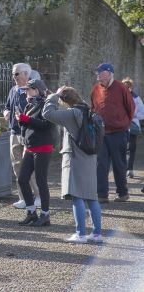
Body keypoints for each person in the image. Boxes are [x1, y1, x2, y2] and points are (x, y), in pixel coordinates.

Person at [43, 86, 103, 243]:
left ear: (64, 101)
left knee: (77, 196)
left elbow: (47, 113)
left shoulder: (71, 113)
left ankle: (80, 234)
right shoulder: (88, 110)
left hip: (75, 157)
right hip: (90, 156)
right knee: (91, 196)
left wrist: (53, 96)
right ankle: (97, 233)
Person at [91, 63, 135, 203]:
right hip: (102, 133)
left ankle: (122, 193)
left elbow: (131, 108)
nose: (99, 76)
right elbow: (93, 107)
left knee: (119, 164)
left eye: (101, 74)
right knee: (101, 164)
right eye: (97, 74)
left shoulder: (121, 87)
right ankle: (102, 194)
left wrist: (124, 123)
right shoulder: (96, 89)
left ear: (110, 73)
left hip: (118, 132)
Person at [16, 79, 54, 227]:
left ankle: (45, 215)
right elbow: (28, 125)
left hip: (43, 147)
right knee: (22, 179)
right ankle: (31, 212)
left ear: (37, 90)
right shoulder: (30, 104)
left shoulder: (46, 104)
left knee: (41, 181)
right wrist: (21, 120)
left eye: (29, 89)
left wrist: (26, 119)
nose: (26, 92)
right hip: (30, 147)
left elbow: (47, 125)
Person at [3, 63, 41, 209]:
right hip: (14, 132)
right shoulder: (13, 90)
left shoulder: (33, 90)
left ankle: (38, 196)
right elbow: (7, 106)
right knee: (17, 166)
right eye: (13, 74)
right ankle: (23, 198)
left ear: (26, 74)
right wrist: (6, 112)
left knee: (30, 168)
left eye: (16, 74)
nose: (14, 77)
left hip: (28, 133)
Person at [122, 77, 144, 178]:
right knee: (120, 147)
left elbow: (142, 113)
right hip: (120, 126)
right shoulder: (117, 97)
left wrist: (133, 116)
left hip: (131, 125)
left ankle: (129, 169)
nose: (126, 88)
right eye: (124, 86)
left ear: (131, 87)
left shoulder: (136, 98)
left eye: (128, 86)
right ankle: (122, 168)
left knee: (131, 148)